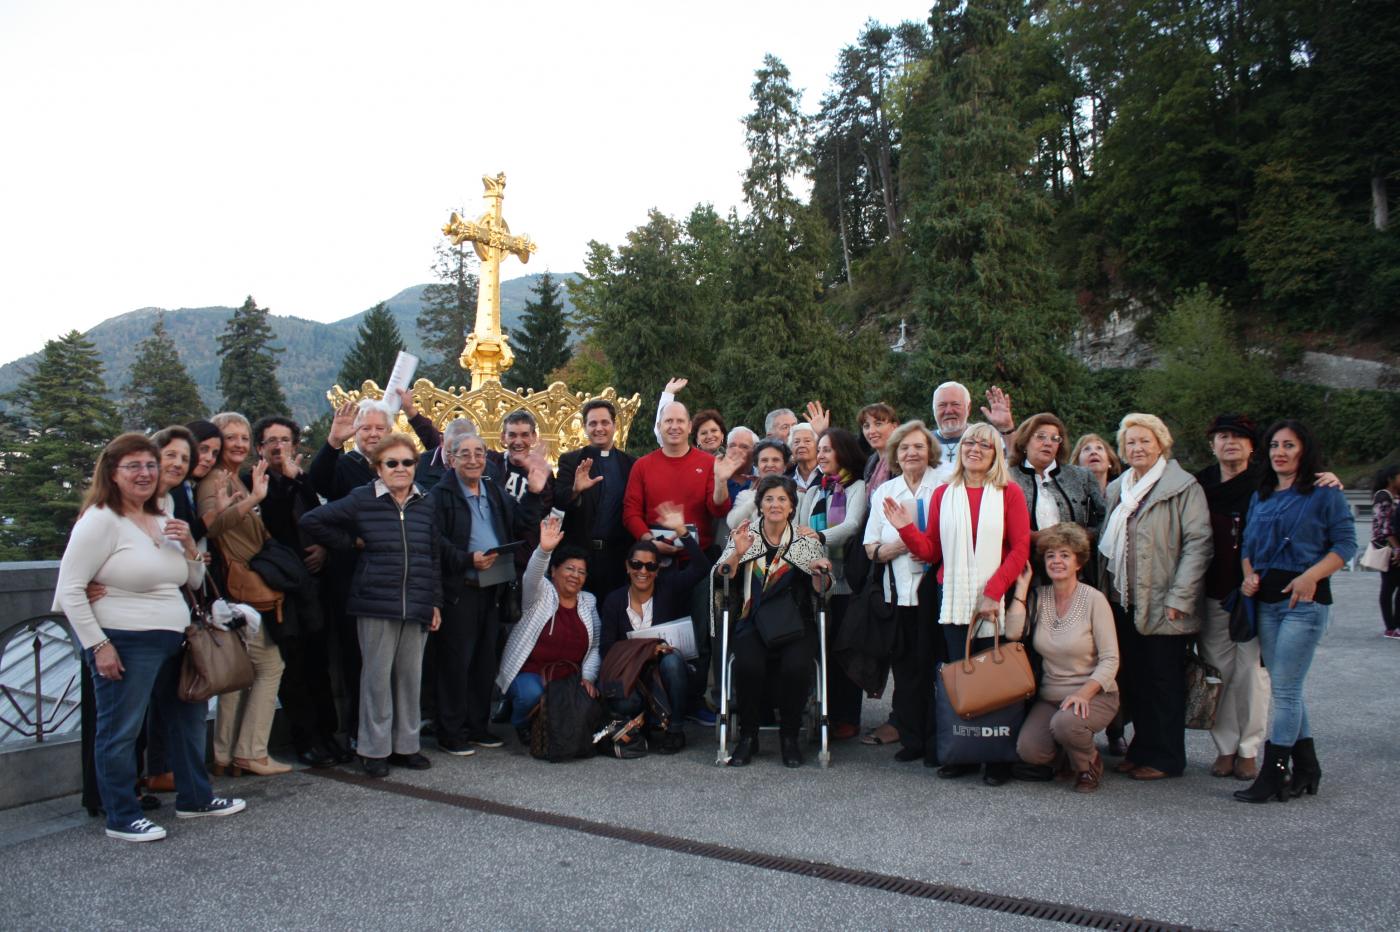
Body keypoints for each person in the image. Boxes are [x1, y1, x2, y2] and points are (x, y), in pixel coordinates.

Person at [54, 433, 245, 842]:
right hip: (126, 640)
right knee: (120, 731)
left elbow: (192, 579)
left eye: (149, 465)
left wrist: (190, 546)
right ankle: (122, 816)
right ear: (112, 473)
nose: (145, 473)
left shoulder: (161, 518)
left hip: (177, 640)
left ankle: (196, 798)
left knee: (187, 723)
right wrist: (98, 645)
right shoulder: (100, 520)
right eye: (134, 466)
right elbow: (70, 589)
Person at [886, 421, 1031, 785]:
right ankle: (964, 752)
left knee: (994, 680)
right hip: (951, 600)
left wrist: (993, 592)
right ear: (960, 450)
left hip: (992, 601)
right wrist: (907, 528)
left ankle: (997, 759)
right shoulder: (943, 494)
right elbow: (931, 551)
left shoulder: (1009, 492)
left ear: (995, 452)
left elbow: (1020, 549)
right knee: (959, 678)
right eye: (969, 443)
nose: (975, 449)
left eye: (984, 444)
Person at [300, 432, 443, 777]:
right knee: (376, 679)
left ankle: (406, 746)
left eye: (407, 463)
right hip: (375, 602)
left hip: (417, 602)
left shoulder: (426, 502)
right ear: (378, 467)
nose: (400, 468)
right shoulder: (362, 498)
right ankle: (374, 749)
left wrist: (435, 602)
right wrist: (351, 543)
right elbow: (313, 521)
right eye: (391, 463)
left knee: (410, 678)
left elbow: (432, 554)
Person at [1235, 420, 1356, 803]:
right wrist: (1248, 576)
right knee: (1290, 687)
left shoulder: (1324, 493)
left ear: (1304, 450)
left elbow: (1346, 544)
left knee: (1284, 690)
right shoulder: (1263, 494)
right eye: (1274, 445)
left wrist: (1311, 578)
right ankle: (1307, 767)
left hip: (1303, 603)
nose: (1280, 452)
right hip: (1266, 601)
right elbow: (1247, 546)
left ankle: (1273, 774)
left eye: (1289, 445)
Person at [1097, 413, 1211, 781]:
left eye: (1145, 440)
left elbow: (1198, 543)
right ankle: (1142, 748)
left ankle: (1166, 758)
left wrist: (1181, 596)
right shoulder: (1119, 488)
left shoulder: (1181, 486)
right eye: (1130, 442)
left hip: (1165, 601)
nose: (1137, 447)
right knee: (1137, 678)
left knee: (1164, 681)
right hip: (1122, 599)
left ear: (1161, 443)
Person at [432, 432, 546, 755]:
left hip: (493, 588)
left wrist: (535, 492)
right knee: (456, 663)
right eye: (464, 454)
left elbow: (522, 520)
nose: (472, 460)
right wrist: (468, 560)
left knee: (484, 661)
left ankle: (478, 726)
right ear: (450, 458)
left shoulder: (493, 490)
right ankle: (450, 731)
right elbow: (435, 542)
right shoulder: (440, 495)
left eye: (478, 453)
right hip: (461, 589)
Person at [198, 412, 290, 777]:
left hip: (235, 588)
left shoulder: (230, 476)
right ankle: (251, 752)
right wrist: (251, 499)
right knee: (270, 666)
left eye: (243, 437)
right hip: (236, 588)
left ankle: (225, 754)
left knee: (239, 674)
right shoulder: (215, 481)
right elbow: (213, 526)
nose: (237, 443)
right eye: (229, 437)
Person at [718, 475, 831, 768]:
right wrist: (737, 554)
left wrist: (820, 572)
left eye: (782, 499)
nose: (775, 504)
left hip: (794, 622)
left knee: (796, 666)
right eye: (769, 499)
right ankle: (748, 737)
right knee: (748, 664)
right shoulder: (745, 535)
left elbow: (821, 589)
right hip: (753, 620)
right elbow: (724, 577)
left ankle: (790, 737)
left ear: (792, 506)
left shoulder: (804, 540)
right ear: (760, 504)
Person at [251, 414, 344, 769]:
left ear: (294, 445)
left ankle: (329, 735)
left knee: (319, 664)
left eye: (284, 440)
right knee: (293, 669)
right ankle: (305, 739)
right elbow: (270, 524)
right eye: (270, 441)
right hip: (280, 588)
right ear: (260, 449)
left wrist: (323, 549)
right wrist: (289, 483)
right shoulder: (253, 482)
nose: (278, 447)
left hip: (313, 585)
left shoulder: (302, 480)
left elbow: (320, 518)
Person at [1005, 523, 1119, 793]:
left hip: (1093, 694)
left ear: (1078, 561)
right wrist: (1021, 589)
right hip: (1051, 696)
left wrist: (1083, 694)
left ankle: (1088, 765)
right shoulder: (1039, 597)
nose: (1057, 561)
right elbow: (1012, 633)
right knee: (1030, 750)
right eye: (1051, 555)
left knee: (1066, 723)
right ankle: (1068, 752)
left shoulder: (1095, 600)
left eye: (1065, 555)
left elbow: (1111, 659)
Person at [598, 502, 711, 752]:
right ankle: (646, 725)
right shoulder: (615, 600)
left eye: (650, 566)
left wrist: (682, 531)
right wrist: (645, 650)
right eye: (637, 565)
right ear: (627, 567)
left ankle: (675, 729)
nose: (643, 571)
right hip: (630, 673)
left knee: (672, 663)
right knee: (627, 703)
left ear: (658, 570)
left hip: (665, 672)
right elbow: (606, 648)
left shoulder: (668, 590)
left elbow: (702, 568)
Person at [1194, 414, 1270, 781]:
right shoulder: (1200, 484)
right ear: (1212, 445)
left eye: (1239, 437)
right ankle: (1224, 748)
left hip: (1254, 593)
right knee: (1218, 674)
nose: (1230, 443)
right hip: (1211, 592)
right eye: (1223, 437)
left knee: (1252, 675)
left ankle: (1249, 748)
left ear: (1252, 446)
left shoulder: (1266, 483)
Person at [861, 420, 941, 756]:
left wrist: (917, 540)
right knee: (906, 669)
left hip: (936, 592)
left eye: (918, 447)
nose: (911, 453)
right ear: (895, 454)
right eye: (905, 447)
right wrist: (901, 546)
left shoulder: (945, 486)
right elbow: (871, 547)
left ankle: (939, 739)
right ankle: (912, 738)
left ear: (930, 452)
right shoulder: (885, 491)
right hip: (898, 593)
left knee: (934, 666)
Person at [495, 516, 602, 745]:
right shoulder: (540, 593)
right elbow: (532, 575)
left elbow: (594, 648)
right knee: (530, 696)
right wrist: (543, 550)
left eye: (581, 572)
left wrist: (588, 678)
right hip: (531, 674)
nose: (575, 575)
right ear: (554, 571)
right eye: (570, 569)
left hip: (567, 679)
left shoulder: (589, 602)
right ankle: (521, 722)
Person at [798, 428, 869, 740]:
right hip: (815, 582)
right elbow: (799, 528)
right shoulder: (815, 491)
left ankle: (846, 717)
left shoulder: (857, 487)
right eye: (820, 449)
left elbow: (852, 525)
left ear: (844, 452)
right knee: (819, 651)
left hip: (846, 584)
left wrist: (821, 537)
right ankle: (821, 712)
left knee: (844, 652)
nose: (822, 455)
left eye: (828, 449)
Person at [554, 399, 636, 598]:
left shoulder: (631, 464)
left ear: (614, 426)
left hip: (617, 558)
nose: (599, 428)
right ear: (585, 428)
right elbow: (558, 501)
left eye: (604, 422)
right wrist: (575, 490)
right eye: (593, 423)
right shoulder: (570, 460)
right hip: (579, 558)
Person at [1009, 413, 1105, 543]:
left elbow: (1105, 518)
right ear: (1025, 442)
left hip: (1076, 560)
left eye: (1055, 438)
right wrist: (1031, 537)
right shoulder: (1008, 477)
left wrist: (1085, 536)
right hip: (1024, 560)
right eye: (1041, 436)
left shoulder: (1082, 476)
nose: (1048, 443)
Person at [929, 382, 1015, 475]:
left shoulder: (988, 439)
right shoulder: (923, 443)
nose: (949, 411)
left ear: (968, 408)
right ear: (934, 410)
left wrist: (1006, 428)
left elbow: (1015, 462)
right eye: (942, 405)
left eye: (955, 404)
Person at [727, 439, 792, 530]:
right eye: (764, 460)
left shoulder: (796, 494)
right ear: (757, 466)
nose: (769, 464)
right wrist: (758, 497)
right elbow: (732, 523)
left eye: (775, 460)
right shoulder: (746, 495)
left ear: (784, 466)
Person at [1372, 465, 1400, 639]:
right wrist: (1396, 548)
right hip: (1387, 547)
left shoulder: (1393, 496)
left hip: (1393, 546)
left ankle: (1393, 625)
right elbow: (1385, 527)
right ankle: (1392, 626)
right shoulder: (1383, 496)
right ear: (1391, 478)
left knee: (1391, 586)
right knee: (1389, 587)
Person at [859, 403, 898, 490]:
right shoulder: (870, 462)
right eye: (866, 426)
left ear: (894, 427)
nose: (871, 431)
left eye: (878, 424)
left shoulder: (901, 459)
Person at [1070, 433, 1121, 499]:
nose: (1093, 452)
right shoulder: (1068, 497)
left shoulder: (1123, 494)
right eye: (1087, 449)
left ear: (1109, 461)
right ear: (1077, 463)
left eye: (1099, 448)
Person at [789, 423, 822, 493]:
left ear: (818, 446)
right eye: (796, 442)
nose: (801, 445)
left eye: (807, 441)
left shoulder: (828, 474)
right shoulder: (786, 479)